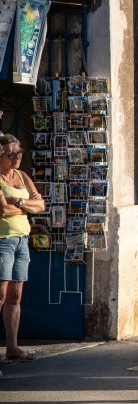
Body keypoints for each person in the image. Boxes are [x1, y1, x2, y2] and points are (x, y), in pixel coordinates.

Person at [0, 134, 45, 366]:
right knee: (0, 295)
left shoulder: (22, 176)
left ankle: (12, 347)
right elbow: (3, 212)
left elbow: (41, 205)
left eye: (19, 153)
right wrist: (25, 207)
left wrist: (18, 203)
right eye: (11, 155)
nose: (17, 158)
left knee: (15, 296)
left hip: (21, 240)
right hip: (3, 240)